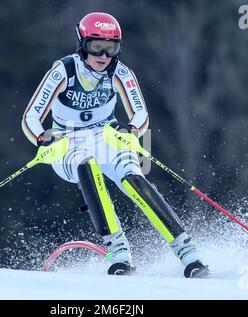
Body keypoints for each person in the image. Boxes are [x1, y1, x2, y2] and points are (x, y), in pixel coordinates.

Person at [22, 12, 210, 278]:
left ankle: (189, 254)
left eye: (111, 49)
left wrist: (131, 129)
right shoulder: (63, 70)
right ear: (82, 44)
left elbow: (141, 114)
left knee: (134, 177)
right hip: (66, 141)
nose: (103, 56)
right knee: (85, 166)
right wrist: (43, 137)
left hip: (104, 136)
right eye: (96, 46)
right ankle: (119, 253)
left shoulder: (121, 72)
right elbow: (30, 117)